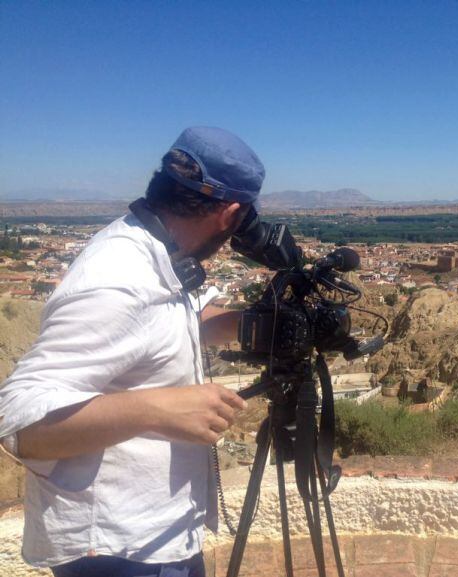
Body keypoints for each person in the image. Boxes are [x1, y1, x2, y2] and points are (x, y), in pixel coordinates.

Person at [0, 126, 264, 576]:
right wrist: (155, 409)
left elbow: (158, 326)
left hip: (158, 535)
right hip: (117, 551)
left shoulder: (157, 250)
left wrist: (252, 324)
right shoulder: (116, 279)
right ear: (231, 214)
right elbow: (18, 422)